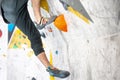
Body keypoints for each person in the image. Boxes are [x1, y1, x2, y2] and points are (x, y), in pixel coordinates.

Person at [0, 0, 70, 78]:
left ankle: (50, 68)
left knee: (34, 36)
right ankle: (39, 19)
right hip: (11, 4)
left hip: (7, 13)